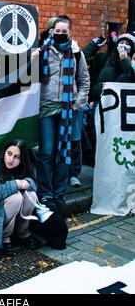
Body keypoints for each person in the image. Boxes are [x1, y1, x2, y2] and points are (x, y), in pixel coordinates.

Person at [36, 16, 90, 213]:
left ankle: (59, 193)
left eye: (63, 32)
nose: (59, 35)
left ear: (70, 33)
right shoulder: (42, 52)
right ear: (52, 32)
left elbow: (84, 80)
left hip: (68, 109)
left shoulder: (76, 53)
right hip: (46, 108)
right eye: (56, 32)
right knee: (46, 151)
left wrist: (78, 104)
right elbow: (29, 75)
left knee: (63, 151)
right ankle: (45, 193)